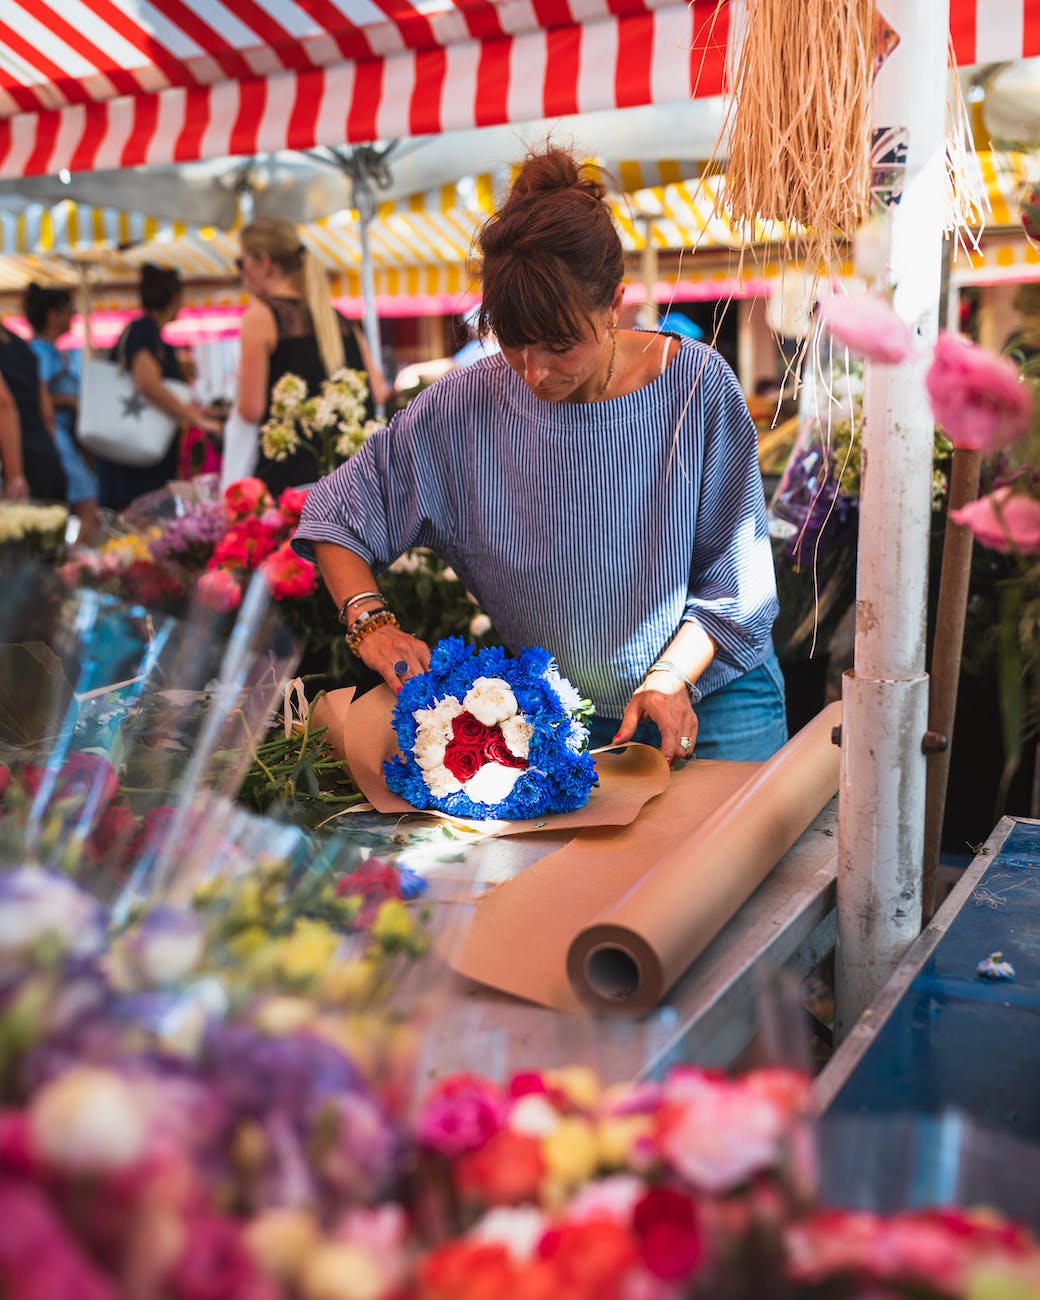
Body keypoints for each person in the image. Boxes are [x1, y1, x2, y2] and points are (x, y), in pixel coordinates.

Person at [294, 147, 786, 764]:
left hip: (711, 700)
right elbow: (338, 514)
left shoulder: (695, 386)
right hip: (559, 714)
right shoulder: (460, 408)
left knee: (737, 861)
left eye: (559, 345)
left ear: (614, 304)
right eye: (514, 343)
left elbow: (734, 590)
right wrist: (371, 621)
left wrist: (671, 676)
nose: (535, 372)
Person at [232, 218, 388, 496]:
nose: (241, 274)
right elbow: (378, 391)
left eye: (240, 263)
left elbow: (251, 410)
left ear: (264, 263)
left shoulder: (261, 317)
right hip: (352, 482)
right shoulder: (339, 319)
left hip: (291, 488)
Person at [95, 264, 220, 513]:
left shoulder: (150, 333)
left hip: (141, 450)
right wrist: (197, 419)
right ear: (175, 298)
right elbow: (148, 383)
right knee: (140, 525)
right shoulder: (144, 331)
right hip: (134, 454)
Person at [24, 283, 100, 543]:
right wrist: (69, 401)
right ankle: (75, 570)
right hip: (54, 438)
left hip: (56, 439)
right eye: (69, 310)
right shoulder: (38, 352)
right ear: (52, 315)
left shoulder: (45, 351)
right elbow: (37, 397)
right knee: (86, 502)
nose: (74, 316)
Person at [0, 321, 66, 502]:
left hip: (16, 461)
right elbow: (47, 411)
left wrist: (15, 477)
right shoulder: (18, 344)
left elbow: (3, 404)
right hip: (43, 451)